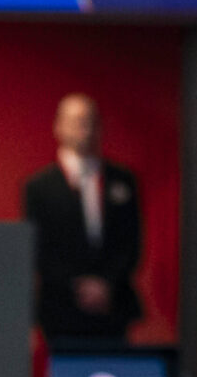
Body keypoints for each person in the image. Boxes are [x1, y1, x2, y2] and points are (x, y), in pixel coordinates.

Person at [23, 94, 143, 345]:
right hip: (60, 311)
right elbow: (37, 250)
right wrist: (76, 288)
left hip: (113, 308)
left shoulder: (122, 180)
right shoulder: (39, 187)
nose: (84, 128)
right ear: (59, 126)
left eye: (91, 120)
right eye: (77, 120)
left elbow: (131, 242)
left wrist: (107, 285)